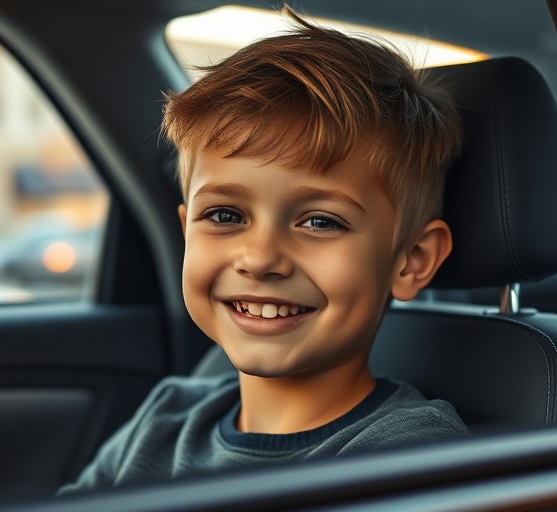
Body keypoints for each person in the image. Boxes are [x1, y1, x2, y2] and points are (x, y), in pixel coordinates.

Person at [59, 6, 468, 493]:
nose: (259, 258)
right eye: (225, 216)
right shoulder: (167, 416)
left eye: (320, 221)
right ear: (187, 230)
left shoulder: (407, 456)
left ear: (412, 260)